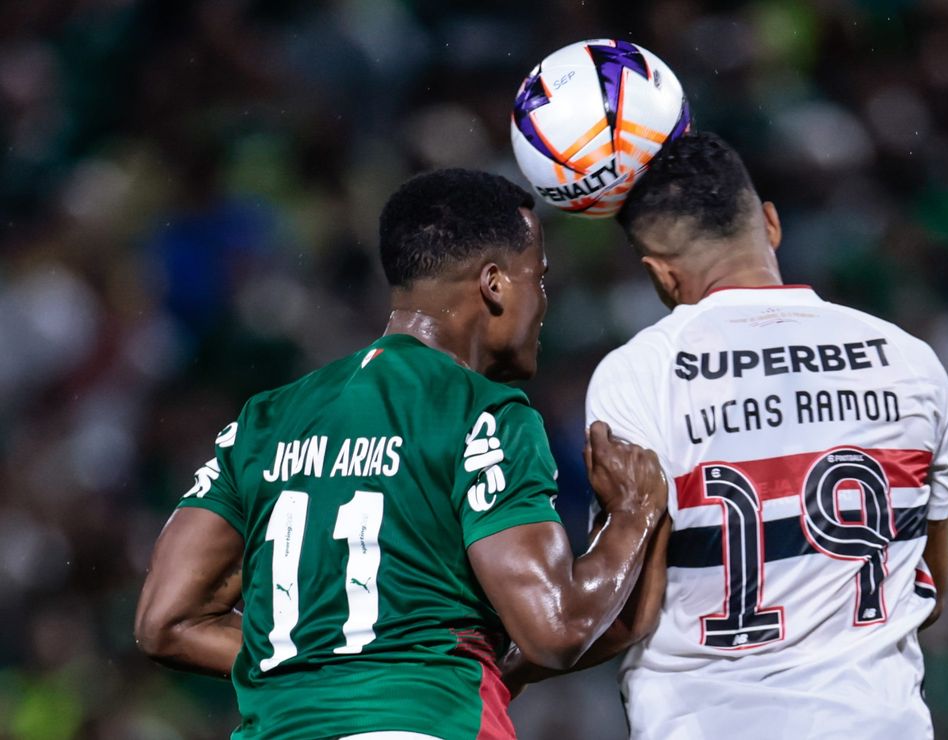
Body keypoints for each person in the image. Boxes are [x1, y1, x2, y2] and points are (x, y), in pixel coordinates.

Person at [134, 168, 668, 740]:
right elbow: (558, 627)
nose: (542, 302)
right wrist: (633, 515)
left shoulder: (265, 419)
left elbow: (166, 622)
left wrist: (317, 657)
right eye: (537, 278)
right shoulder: (482, 413)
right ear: (494, 283)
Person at [508, 133, 948, 738]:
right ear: (770, 223)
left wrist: (510, 666)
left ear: (661, 276)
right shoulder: (911, 360)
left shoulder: (641, 373)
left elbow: (627, 612)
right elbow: (929, 584)